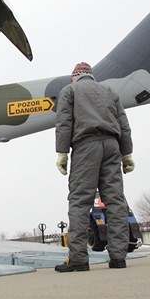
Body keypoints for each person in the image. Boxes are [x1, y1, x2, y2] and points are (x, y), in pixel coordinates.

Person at [54, 62, 135, 272]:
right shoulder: (109, 91)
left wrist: (62, 152)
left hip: (86, 146)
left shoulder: (69, 90)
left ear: (75, 77)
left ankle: (79, 259)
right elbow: (124, 124)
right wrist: (127, 154)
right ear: (91, 76)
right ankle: (118, 258)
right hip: (112, 146)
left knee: (80, 201)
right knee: (116, 202)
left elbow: (64, 122)